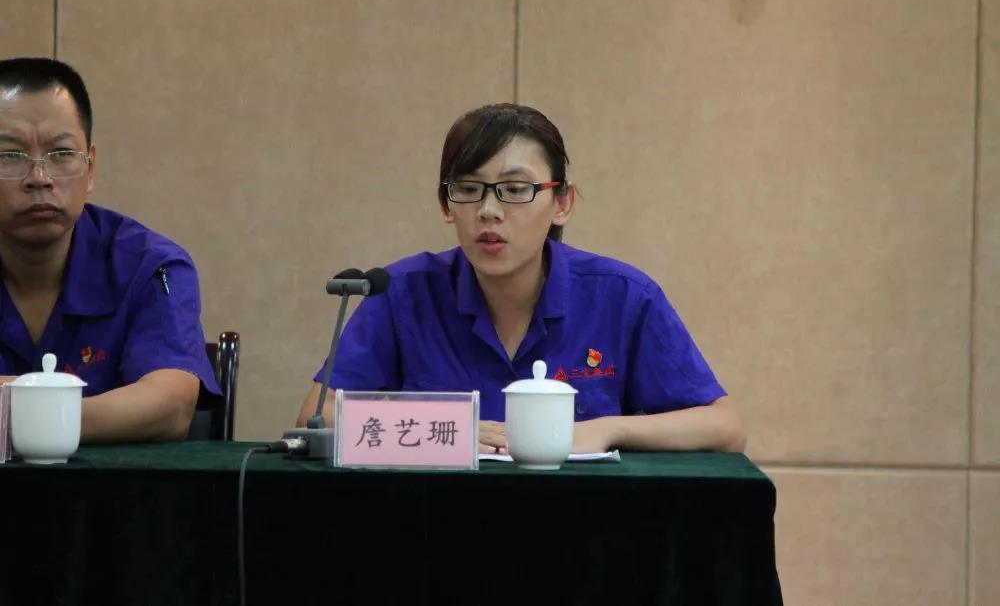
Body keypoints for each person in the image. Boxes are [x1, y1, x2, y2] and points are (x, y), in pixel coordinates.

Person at [298, 103, 745, 454]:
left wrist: (608, 430)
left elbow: (725, 427)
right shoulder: (402, 293)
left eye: (515, 190)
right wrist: (449, 431)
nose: (489, 211)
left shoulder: (623, 297)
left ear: (563, 203)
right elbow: (317, 418)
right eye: (468, 189)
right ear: (446, 205)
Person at [0, 57, 218, 442]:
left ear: (90, 168)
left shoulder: (149, 265)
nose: (39, 178)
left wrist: (27, 414)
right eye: (10, 156)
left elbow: (171, 406)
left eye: (61, 153)